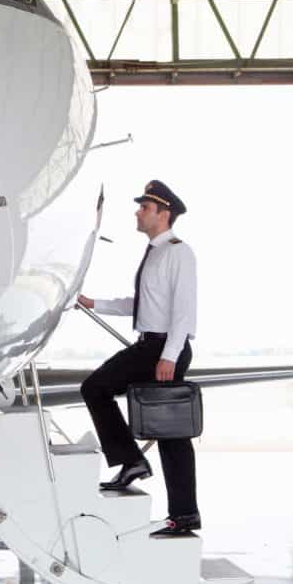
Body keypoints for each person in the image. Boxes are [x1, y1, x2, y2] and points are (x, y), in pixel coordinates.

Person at [76, 180, 200, 537]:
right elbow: (144, 307)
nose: (137, 212)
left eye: (144, 207)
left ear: (164, 214)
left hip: (163, 349)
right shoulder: (155, 252)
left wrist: (169, 357)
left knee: (171, 433)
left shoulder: (179, 252)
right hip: (151, 345)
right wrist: (94, 303)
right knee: (97, 389)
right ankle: (131, 461)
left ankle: (183, 513)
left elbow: (183, 312)